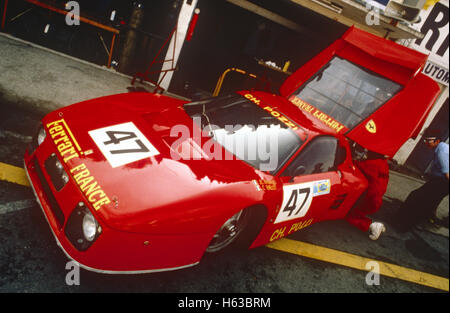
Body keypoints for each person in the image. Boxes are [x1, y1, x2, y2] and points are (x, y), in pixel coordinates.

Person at [395, 128, 449, 231]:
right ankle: (418, 219)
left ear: (437, 141)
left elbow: (447, 174)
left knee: (418, 199)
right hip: (440, 180)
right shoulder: (441, 147)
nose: (425, 143)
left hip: (444, 182)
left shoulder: (442, 152)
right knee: (426, 201)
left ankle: (405, 225)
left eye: (428, 140)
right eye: (424, 140)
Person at [345, 145, 390, 240]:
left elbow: (355, 165)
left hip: (370, 198)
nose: (366, 153)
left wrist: (354, 159)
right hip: (376, 198)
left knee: (348, 215)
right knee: (357, 213)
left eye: (368, 152)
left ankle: (371, 225)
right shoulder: (383, 163)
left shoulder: (372, 164)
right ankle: (375, 225)